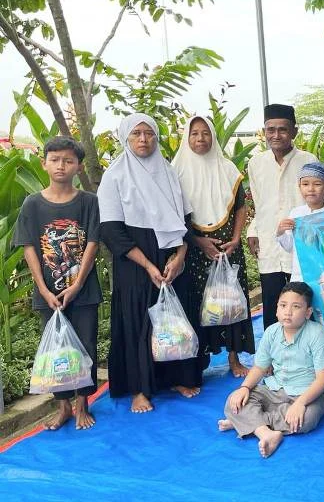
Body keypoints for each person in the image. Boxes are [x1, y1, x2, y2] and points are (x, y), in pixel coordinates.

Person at [98, 113, 198, 413]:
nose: (143, 139)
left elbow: (185, 222)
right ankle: (139, 389)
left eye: (149, 133)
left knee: (174, 321)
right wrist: (148, 266)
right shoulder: (114, 176)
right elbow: (112, 232)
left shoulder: (168, 173)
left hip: (170, 258)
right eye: (136, 134)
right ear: (126, 139)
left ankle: (176, 378)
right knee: (139, 320)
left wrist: (179, 257)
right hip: (135, 264)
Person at [13, 136, 101, 430]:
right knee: (55, 351)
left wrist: (77, 285)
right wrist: (42, 288)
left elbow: (92, 244)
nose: (61, 165)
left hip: (84, 291)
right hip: (48, 293)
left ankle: (82, 405)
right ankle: (62, 406)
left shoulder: (89, 202)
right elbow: (28, 247)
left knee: (85, 346)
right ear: (44, 163)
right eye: (55, 160)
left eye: (68, 160)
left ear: (78, 166)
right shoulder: (32, 204)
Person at [172, 116, 255, 378]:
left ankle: (234, 358)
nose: (200, 139)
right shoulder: (176, 172)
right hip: (193, 246)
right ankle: (201, 360)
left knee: (231, 302)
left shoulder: (227, 168)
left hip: (228, 245)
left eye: (205, 133)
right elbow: (173, 215)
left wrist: (237, 237)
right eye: (194, 134)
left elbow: (241, 206)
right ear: (187, 137)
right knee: (199, 301)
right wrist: (197, 241)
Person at [218, 282, 324, 458]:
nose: (288, 312)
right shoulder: (271, 332)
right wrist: (244, 388)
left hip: (309, 393)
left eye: (296, 307)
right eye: (283, 305)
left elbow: (323, 378)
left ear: (308, 312)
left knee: (306, 420)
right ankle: (266, 434)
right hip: (275, 389)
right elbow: (259, 367)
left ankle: (247, 422)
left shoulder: (316, 333)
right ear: (276, 309)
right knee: (233, 401)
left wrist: (300, 404)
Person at [276, 161, 324, 395]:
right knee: (301, 329)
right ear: (299, 186)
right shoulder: (296, 214)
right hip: (301, 282)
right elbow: (289, 247)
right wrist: (280, 231)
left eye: (317, 184)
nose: (311, 189)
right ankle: (306, 379)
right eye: (305, 184)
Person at [247, 104, 317, 329]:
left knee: (303, 302)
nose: (276, 135)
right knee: (272, 304)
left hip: (300, 244)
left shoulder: (309, 160)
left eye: (283, 129)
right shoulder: (256, 163)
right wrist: (253, 230)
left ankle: (307, 355)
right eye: (271, 130)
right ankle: (273, 359)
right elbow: (258, 203)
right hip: (269, 241)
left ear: (294, 132)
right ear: (264, 131)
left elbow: (317, 201)